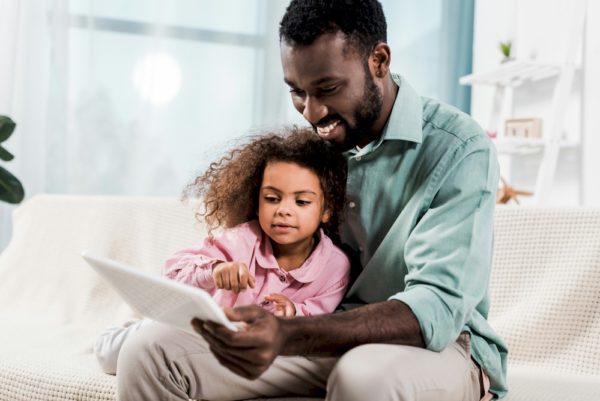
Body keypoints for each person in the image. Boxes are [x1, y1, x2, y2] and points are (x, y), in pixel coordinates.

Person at [116, 1, 508, 400]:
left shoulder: (460, 149)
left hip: (434, 347)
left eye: (328, 89)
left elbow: (435, 307)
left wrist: (288, 333)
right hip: (321, 333)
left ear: (379, 60)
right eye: (297, 92)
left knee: (364, 377)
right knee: (149, 351)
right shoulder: (314, 151)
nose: (313, 112)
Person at [95, 128, 350, 375]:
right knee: (113, 356)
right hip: (199, 329)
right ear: (256, 200)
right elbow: (172, 274)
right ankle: (126, 330)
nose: (283, 210)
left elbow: (322, 316)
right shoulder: (241, 239)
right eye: (272, 198)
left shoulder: (335, 266)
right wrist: (215, 271)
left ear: (326, 209)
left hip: (246, 346)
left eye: (301, 202)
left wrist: (293, 311)